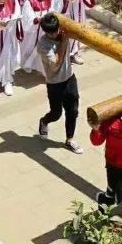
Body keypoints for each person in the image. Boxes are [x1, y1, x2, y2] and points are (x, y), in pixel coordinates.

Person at [36, 13, 83, 154]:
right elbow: (56, 64)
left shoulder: (62, 31)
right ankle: (44, 121)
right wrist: (63, 41)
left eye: (56, 31)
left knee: (73, 111)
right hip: (55, 83)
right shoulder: (43, 45)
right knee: (56, 113)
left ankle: (70, 139)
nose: (54, 35)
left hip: (69, 78)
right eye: (50, 33)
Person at [52, 0, 96, 65]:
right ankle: (64, 54)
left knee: (78, 30)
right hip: (67, 11)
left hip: (78, 9)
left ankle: (75, 53)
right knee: (67, 32)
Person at [20, 0, 53, 75]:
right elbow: (28, 18)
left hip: (45, 30)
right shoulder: (30, 1)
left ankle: (44, 70)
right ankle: (27, 64)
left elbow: (52, 9)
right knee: (29, 48)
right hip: (34, 31)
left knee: (43, 50)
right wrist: (37, 20)